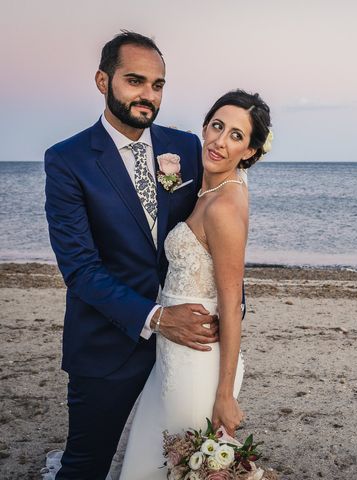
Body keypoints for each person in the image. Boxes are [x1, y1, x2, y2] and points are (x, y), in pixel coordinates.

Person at [43, 31, 224, 479]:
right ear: (103, 81)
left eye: (158, 84)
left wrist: (229, 305)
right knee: (86, 465)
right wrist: (158, 318)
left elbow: (217, 229)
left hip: (187, 350)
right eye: (135, 80)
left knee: (183, 460)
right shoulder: (68, 161)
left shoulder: (185, 148)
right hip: (107, 343)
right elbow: (80, 269)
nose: (148, 95)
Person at [118, 90, 272, 479]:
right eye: (217, 126)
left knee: (177, 463)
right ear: (204, 128)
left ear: (249, 152)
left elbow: (232, 303)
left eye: (236, 136)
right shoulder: (209, 190)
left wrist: (224, 394)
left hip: (196, 360)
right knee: (152, 456)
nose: (220, 141)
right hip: (172, 350)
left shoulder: (223, 207)